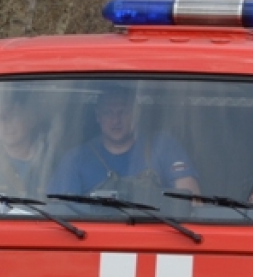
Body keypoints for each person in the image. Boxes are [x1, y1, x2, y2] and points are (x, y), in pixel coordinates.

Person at [49, 83, 201, 204]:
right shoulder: (76, 159)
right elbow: (59, 211)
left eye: (123, 112)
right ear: (98, 116)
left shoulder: (163, 146)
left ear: (136, 113)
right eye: (108, 113)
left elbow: (191, 200)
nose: (116, 120)